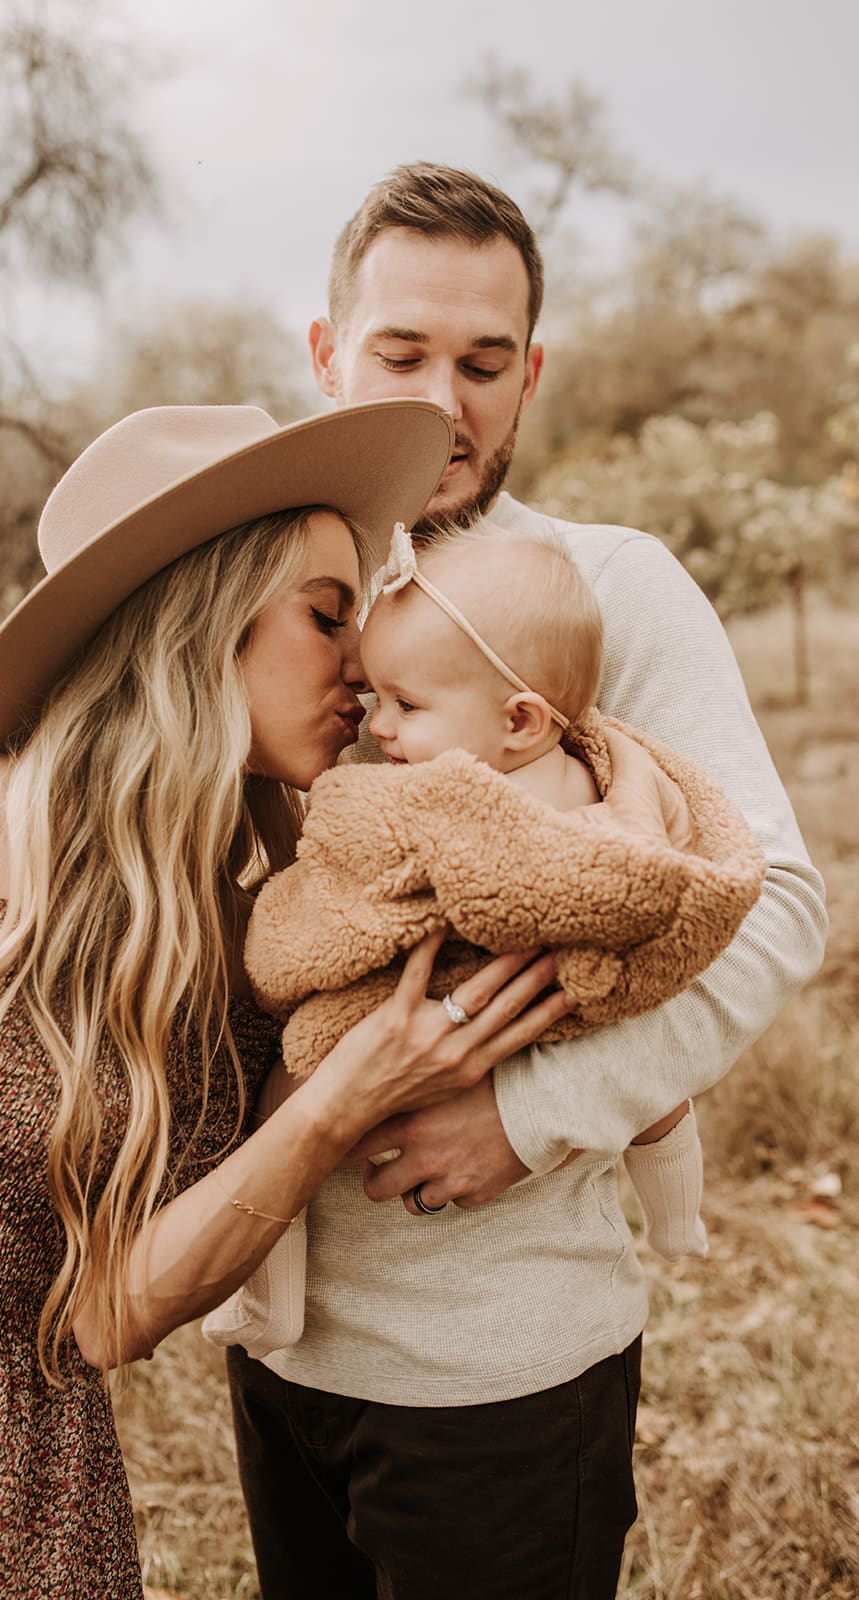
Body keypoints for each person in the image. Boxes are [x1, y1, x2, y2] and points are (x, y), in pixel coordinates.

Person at [0, 398, 576, 1597]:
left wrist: (331, 1105)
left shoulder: (247, 959)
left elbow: (108, 1318)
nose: (360, 665)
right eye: (324, 616)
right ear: (200, 615)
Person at [224, 164, 828, 1599]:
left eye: (481, 363)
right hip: (276, 1328)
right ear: (324, 355)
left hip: (497, 1364)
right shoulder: (262, 588)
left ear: (530, 372)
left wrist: (530, 1110)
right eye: (399, 354)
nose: (442, 399)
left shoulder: (600, 590)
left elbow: (778, 904)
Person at [204, 522, 767, 1359]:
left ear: (518, 717)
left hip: (471, 1011)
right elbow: (654, 849)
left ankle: (267, 1300)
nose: (376, 722)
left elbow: (371, 887)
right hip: (572, 985)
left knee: (286, 1097)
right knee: (659, 1097)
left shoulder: (450, 797)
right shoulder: (607, 767)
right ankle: (678, 1217)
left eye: (404, 706)